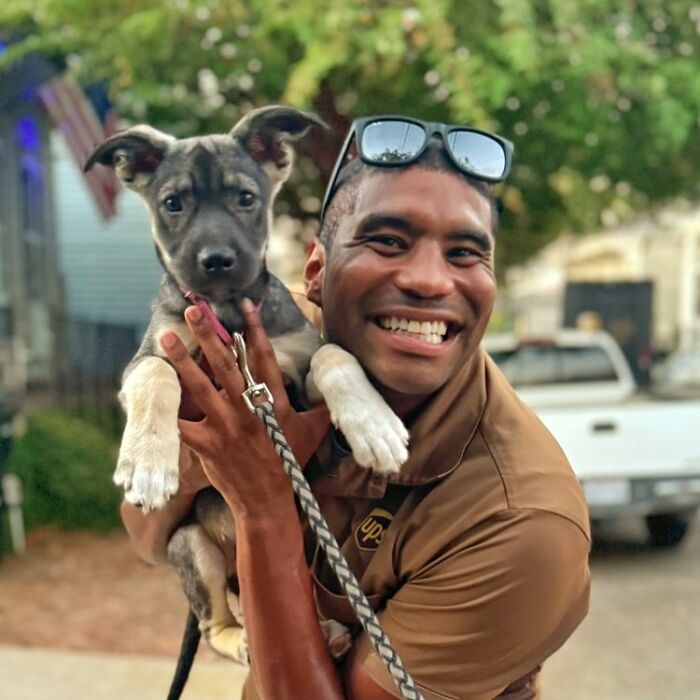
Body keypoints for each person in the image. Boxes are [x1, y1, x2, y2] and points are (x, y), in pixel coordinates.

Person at [121, 117, 591, 700]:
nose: (427, 280)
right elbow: (147, 536)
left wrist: (262, 505)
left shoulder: (522, 526)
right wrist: (209, 456)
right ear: (315, 271)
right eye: (389, 241)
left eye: (466, 252)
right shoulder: (250, 341)